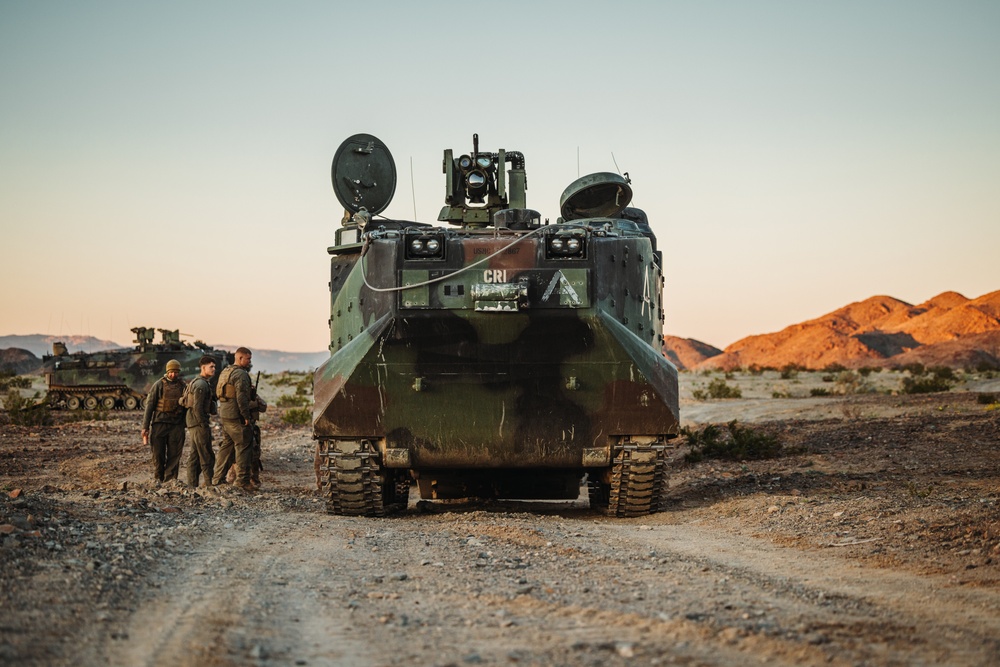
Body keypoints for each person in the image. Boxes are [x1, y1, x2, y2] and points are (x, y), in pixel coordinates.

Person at [212, 347, 266, 490]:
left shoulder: (226, 371)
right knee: (244, 447)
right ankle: (242, 481)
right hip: (236, 416)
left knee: (226, 447)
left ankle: (217, 479)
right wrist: (246, 416)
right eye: (248, 358)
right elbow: (241, 398)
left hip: (225, 414)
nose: (249, 361)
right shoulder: (241, 375)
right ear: (240, 358)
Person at [141, 359, 186, 483]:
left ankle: (170, 481)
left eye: (176, 372)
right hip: (159, 424)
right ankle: (158, 479)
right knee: (158, 454)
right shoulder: (159, 385)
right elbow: (149, 406)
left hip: (176, 425)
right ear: (167, 371)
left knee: (174, 455)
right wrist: (145, 427)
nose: (173, 375)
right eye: (171, 372)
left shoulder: (183, 386)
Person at [183, 355, 217, 488]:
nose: (214, 369)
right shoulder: (201, 384)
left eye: (214, 366)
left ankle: (192, 486)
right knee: (206, 455)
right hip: (198, 423)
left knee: (195, 455)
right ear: (203, 367)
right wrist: (203, 424)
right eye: (211, 367)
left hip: (195, 422)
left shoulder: (201, 382)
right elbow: (197, 407)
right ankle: (209, 485)